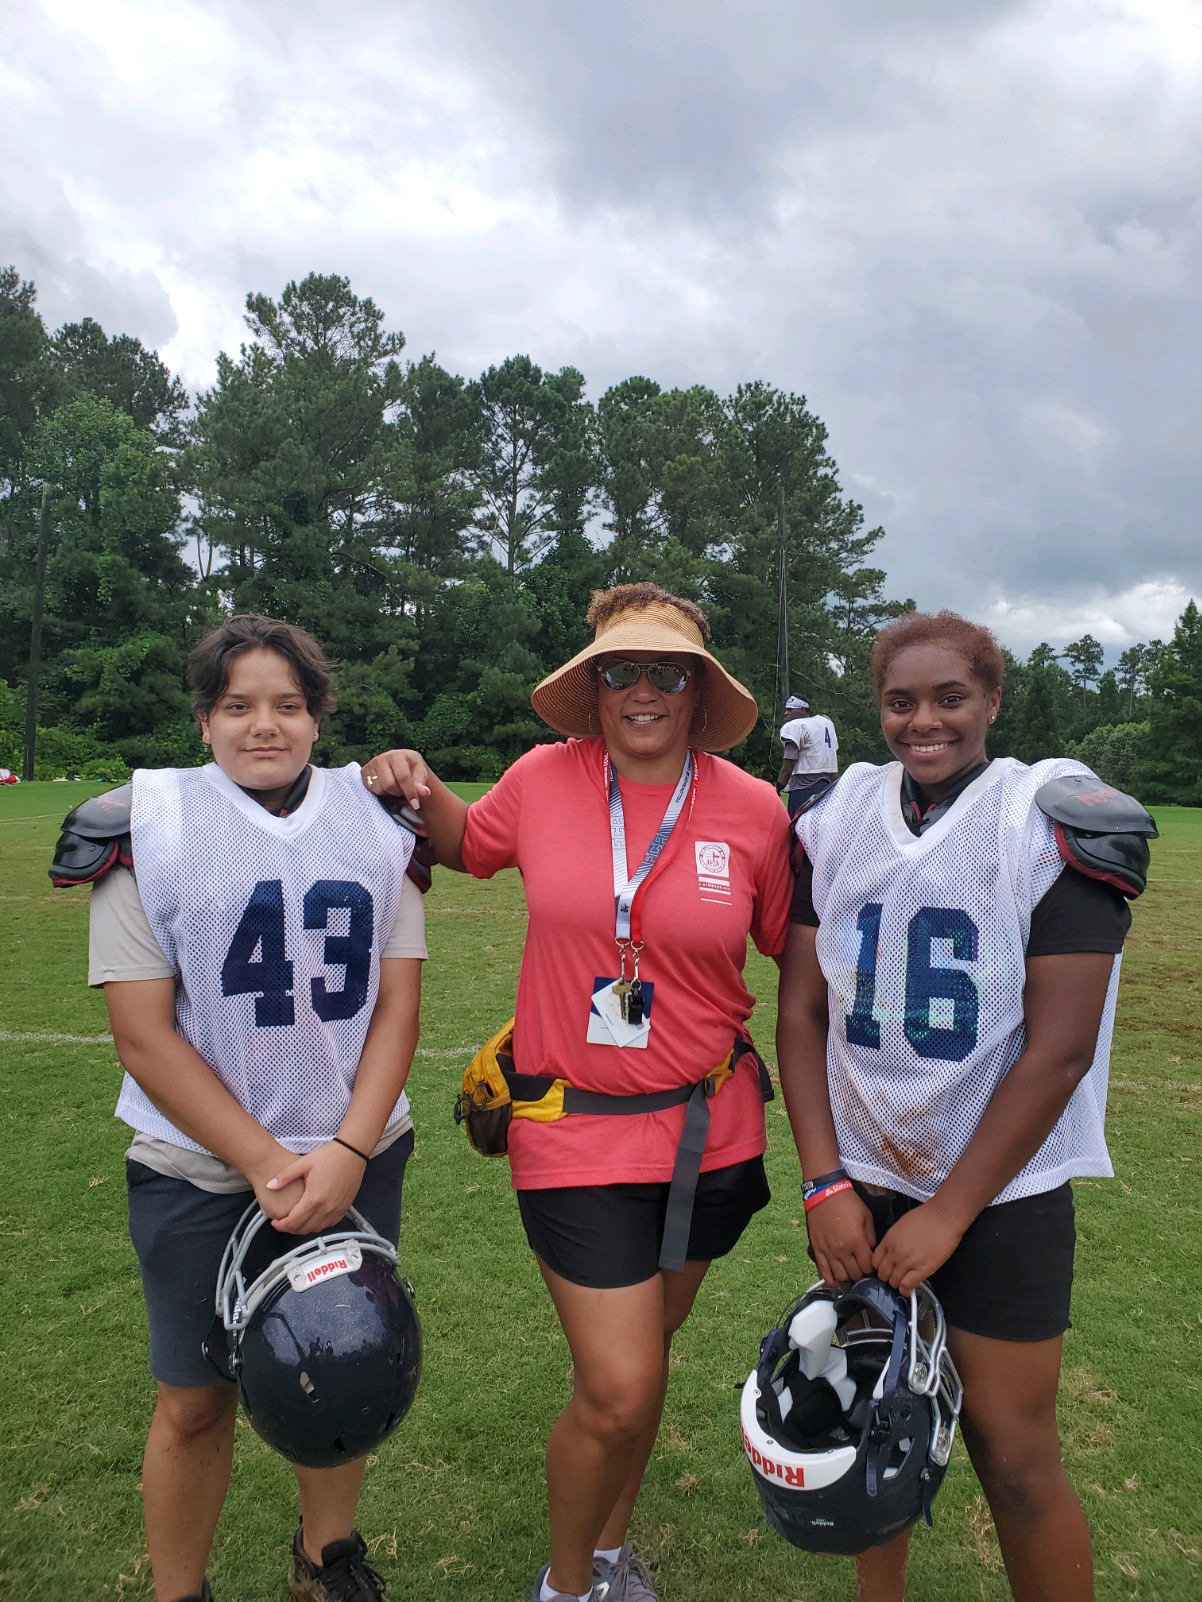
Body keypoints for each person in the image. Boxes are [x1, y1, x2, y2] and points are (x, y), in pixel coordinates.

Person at [363, 582, 793, 1602]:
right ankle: (567, 1589)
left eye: (666, 673)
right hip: (571, 1129)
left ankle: (608, 1550)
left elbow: (803, 955)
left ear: (697, 691)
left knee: (639, 1370)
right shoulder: (544, 779)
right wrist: (410, 782)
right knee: (618, 1384)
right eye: (621, 671)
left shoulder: (753, 809)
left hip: (709, 1134)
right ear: (593, 688)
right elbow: (466, 845)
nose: (642, 691)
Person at [776, 610, 1154, 1602]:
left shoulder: (1040, 817)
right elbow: (800, 1010)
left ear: (991, 699)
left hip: (1000, 1192)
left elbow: (1057, 1048)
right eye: (899, 701)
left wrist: (949, 1212)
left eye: (950, 697)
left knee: (1014, 1461)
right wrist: (823, 1182)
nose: (922, 721)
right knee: (867, 1422)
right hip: (863, 1183)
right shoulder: (839, 814)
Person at [57, 615, 426, 1602]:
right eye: (238, 705)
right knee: (192, 1399)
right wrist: (269, 1162)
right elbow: (142, 1033)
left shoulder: (379, 821)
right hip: (200, 1165)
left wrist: (347, 1148)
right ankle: (180, 1591)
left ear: (317, 718)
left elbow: (397, 1004)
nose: (264, 724)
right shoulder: (145, 824)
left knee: (348, 1358)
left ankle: (327, 1557)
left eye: (288, 705)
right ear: (203, 720)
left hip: (352, 1151)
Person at [776, 694, 839, 816]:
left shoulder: (796, 727)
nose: (785, 713)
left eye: (790, 709)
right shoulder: (825, 723)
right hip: (825, 786)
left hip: (803, 788)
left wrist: (777, 789)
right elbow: (831, 759)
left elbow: (787, 767)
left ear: (801, 710)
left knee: (797, 830)